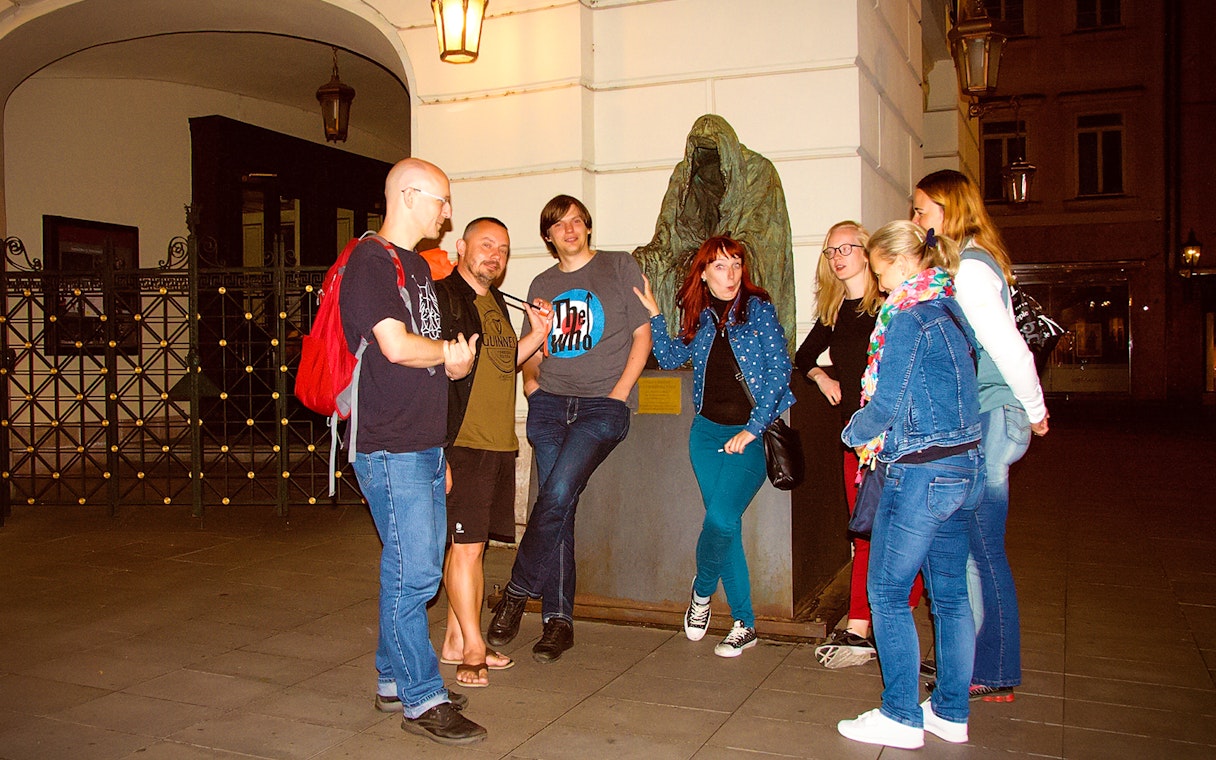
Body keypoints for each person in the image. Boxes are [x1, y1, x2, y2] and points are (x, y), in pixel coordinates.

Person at [339, 157, 486, 746]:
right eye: (441, 200)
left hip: (420, 444)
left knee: (404, 566)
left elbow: (417, 359)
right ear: (408, 195)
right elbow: (396, 347)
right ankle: (423, 699)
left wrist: (439, 449)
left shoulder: (415, 269)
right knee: (417, 572)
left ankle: (392, 680)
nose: (447, 213)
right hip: (389, 444)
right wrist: (450, 355)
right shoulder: (371, 262)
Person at [486, 194, 653, 663]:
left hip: (603, 406)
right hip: (550, 404)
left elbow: (643, 335)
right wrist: (532, 386)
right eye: (560, 224)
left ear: (588, 227)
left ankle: (516, 594)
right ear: (548, 235)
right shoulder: (542, 282)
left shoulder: (620, 266)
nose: (571, 229)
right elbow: (533, 347)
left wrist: (619, 394)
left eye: (578, 221)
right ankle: (558, 623)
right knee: (560, 505)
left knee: (555, 495)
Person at [836, 221, 984, 750]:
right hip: (964, 468)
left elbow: (885, 405)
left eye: (879, 272)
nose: (878, 285)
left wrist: (851, 435)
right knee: (950, 597)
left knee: (887, 593)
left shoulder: (907, 319)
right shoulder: (950, 309)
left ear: (901, 266)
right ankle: (950, 711)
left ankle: (900, 714)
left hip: (919, 472)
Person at [913, 169, 1049, 702]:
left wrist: (1034, 409)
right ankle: (976, 662)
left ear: (949, 210)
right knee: (977, 548)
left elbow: (1010, 346)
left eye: (922, 210)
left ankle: (992, 668)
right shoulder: (971, 262)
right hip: (994, 413)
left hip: (996, 413)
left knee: (984, 549)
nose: (915, 220)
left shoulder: (969, 269)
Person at [635, 236, 794, 657]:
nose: (731, 275)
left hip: (750, 435)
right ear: (703, 274)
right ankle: (745, 623)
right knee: (727, 529)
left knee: (721, 520)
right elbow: (669, 358)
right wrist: (654, 315)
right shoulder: (703, 316)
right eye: (720, 267)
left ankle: (702, 592)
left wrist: (753, 428)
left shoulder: (758, 310)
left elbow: (780, 373)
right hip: (706, 435)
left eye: (736, 265)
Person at [795, 221, 924, 669]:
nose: (838, 256)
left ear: (868, 252)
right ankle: (864, 622)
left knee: (896, 530)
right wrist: (820, 375)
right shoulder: (835, 311)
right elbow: (803, 356)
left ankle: (868, 620)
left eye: (847, 247)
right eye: (831, 250)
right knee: (865, 530)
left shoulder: (890, 305)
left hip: (894, 437)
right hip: (855, 437)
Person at [433, 217, 550, 687]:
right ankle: (474, 649)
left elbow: (504, 362)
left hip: (498, 442)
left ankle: (454, 640)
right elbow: (426, 372)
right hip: (463, 441)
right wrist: (436, 450)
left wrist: (539, 333)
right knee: (465, 548)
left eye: (502, 248)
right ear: (461, 247)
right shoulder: (443, 297)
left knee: (471, 548)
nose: (494, 255)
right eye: (485, 245)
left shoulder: (498, 302)